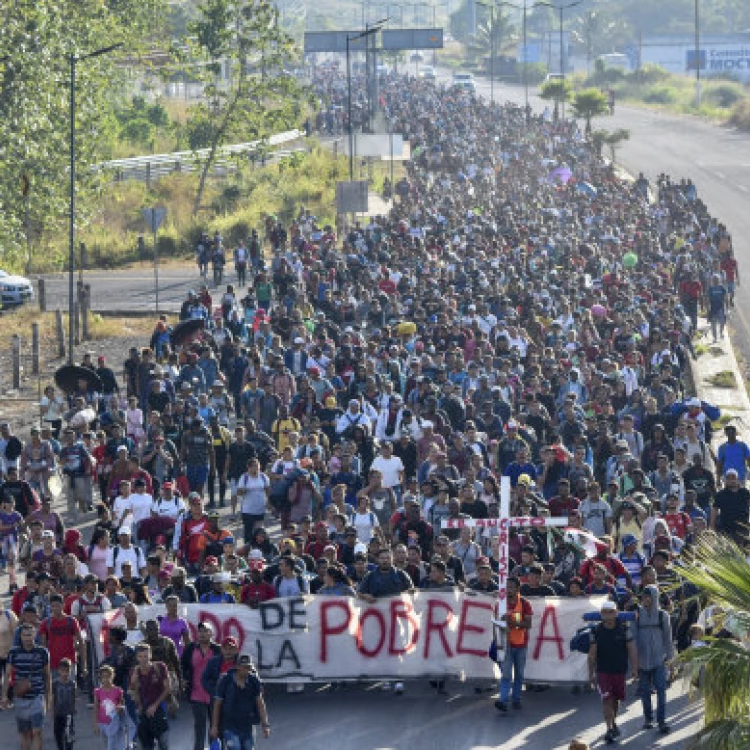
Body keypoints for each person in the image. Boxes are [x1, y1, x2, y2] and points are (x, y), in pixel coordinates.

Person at [357, 548, 414, 694]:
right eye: (382, 558)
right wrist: (366, 597)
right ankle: (386, 679)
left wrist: (402, 595)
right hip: (377, 620)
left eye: (388, 558)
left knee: (396, 649)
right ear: (378, 560)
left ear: (392, 559)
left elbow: (412, 590)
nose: (385, 560)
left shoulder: (401, 574)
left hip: (397, 619)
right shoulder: (370, 576)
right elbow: (359, 593)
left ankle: (398, 679)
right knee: (382, 650)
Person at [588, 600, 638, 744]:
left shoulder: (624, 629)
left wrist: (635, 669)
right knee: (607, 699)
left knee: (615, 699)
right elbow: (592, 653)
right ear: (601, 614)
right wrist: (590, 673)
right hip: (603, 671)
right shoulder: (595, 631)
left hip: (620, 671)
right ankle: (609, 728)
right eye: (605, 612)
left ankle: (613, 722)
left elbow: (632, 649)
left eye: (611, 612)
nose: (608, 615)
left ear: (616, 613)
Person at [3, 622, 52, 750]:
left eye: (30, 635)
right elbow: (7, 675)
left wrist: (48, 698)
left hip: (37, 696)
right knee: (24, 733)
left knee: (37, 731)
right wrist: (4, 695)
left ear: (34, 635)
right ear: (21, 637)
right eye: (25, 635)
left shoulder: (43, 652)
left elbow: (47, 676)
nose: (27, 638)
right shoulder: (14, 652)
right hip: (20, 699)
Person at [634, 585, 674, 734]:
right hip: (642, 660)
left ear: (655, 597)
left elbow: (668, 640)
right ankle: (648, 719)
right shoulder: (637, 614)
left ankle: (662, 721)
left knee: (661, 690)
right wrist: (635, 664)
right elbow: (633, 639)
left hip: (659, 660)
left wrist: (671, 662)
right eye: (644, 596)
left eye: (648, 595)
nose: (645, 599)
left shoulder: (663, 616)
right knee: (645, 692)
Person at [210, 653, 271, 750]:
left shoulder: (254, 681)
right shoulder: (226, 680)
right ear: (237, 667)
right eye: (244, 667)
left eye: (248, 667)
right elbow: (217, 704)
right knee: (235, 747)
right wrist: (214, 726)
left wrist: (265, 724)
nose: (247, 670)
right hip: (230, 725)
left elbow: (260, 703)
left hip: (247, 726)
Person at [494, 576, 533, 712]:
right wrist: (497, 641)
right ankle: (503, 701)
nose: (509, 589)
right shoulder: (500, 604)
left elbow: (528, 624)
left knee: (519, 674)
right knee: (506, 674)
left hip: (521, 644)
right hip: (506, 645)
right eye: (507, 587)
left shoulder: (524, 603)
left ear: (517, 588)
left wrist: (511, 622)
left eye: (511, 587)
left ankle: (516, 699)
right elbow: (495, 624)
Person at [181, 622, 220, 750]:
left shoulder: (217, 650)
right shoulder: (191, 648)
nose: (203, 634)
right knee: (199, 725)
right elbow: (183, 666)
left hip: (214, 693)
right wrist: (184, 679)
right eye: (200, 631)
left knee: (215, 725)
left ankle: (214, 747)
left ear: (211, 634)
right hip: (196, 692)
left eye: (206, 631)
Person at [129, 643, 171, 750]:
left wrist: (155, 705)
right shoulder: (134, 671)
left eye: (146, 656)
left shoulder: (160, 667)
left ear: (150, 656)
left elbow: (167, 688)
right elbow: (132, 692)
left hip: (159, 709)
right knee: (146, 745)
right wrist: (133, 682)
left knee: (163, 743)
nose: (143, 659)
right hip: (143, 712)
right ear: (136, 657)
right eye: (140, 656)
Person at [93, 664, 126, 750]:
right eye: (103, 677)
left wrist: (120, 708)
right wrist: (96, 723)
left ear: (112, 676)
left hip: (113, 723)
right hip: (102, 723)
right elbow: (96, 707)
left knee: (111, 746)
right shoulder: (98, 691)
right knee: (106, 744)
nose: (106, 679)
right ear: (100, 678)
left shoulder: (118, 690)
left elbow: (122, 705)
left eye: (108, 676)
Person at [51, 657, 77, 750]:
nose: (65, 673)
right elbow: (53, 697)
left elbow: (73, 696)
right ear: (59, 671)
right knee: (58, 734)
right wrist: (52, 711)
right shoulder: (55, 683)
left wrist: (73, 708)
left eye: (67, 671)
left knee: (69, 734)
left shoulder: (72, 684)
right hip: (58, 713)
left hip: (68, 713)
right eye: (63, 671)